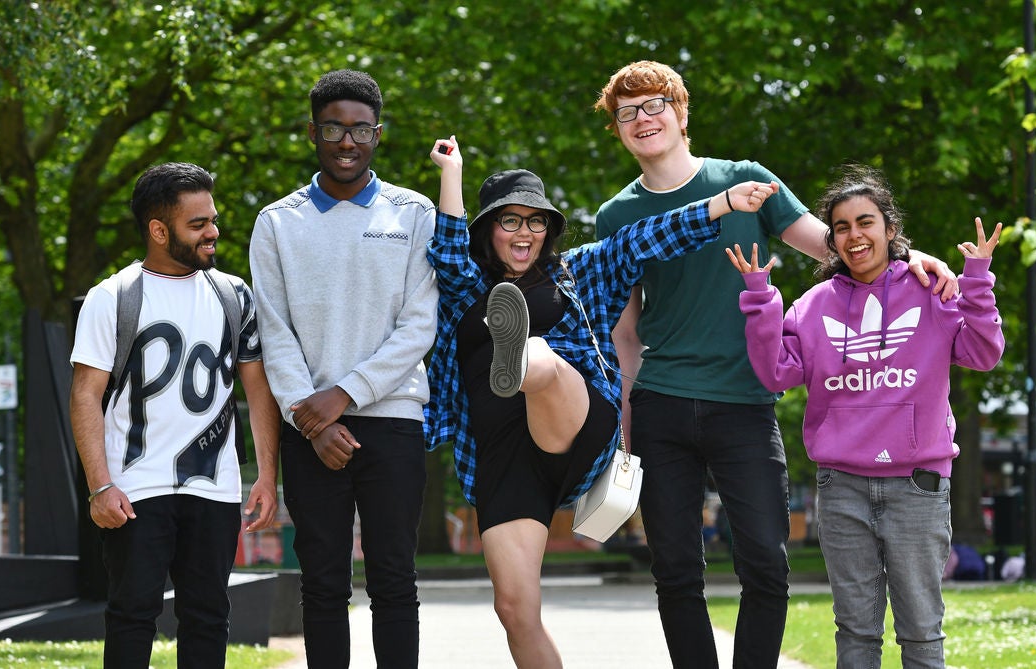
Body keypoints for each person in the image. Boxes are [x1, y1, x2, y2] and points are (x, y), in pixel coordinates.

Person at [592, 60, 959, 668]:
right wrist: (627, 428)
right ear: (618, 130)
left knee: (766, 561)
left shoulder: (746, 181)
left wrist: (918, 258)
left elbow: (836, 245)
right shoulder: (616, 216)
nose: (642, 119)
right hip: (661, 404)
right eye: (626, 113)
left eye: (655, 105)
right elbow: (625, 332)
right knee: (676, 570)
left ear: (682, 115)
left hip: (744, 404)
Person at [424, 134, 780, 667]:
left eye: (536, 221)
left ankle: (518, 355)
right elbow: (448, 249)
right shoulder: (465, 287)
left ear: (549, 229)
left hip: (575, 423)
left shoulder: (580, 271)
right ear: (489, 230)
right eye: (510, 221)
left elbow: (645, 237)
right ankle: (516, 354)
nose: (525, 232)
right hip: (504, 461)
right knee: (515, 610)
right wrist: (449, 173)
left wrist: (723, 203)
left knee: (540, 358)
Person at [728, 165, 1004, 668]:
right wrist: (761, 298)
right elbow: (775, 374)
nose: (855, 236)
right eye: (841, 227)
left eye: (866, 222)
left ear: (889, 228)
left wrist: (977, 282)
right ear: (831, 240)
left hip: (917, 486)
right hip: (842, 487)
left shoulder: (930, 289)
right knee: (855, 631)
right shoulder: (811, 307)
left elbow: (982, 354)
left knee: (921, 631)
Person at [249, 69, 436, 668]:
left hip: (394, 420)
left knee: (393, 581)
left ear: (378, 134)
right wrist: (314, 419)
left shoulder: (414, 213)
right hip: (311, 428)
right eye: (334, 128)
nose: (347, 141)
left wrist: (346, 395)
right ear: (312, 132)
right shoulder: (277, 222)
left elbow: (419, 325)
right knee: (322, 584)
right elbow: (273, 332)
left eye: (360, 129)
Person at [69, 161, 281, 668]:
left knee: (209, 616)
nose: (213, 232)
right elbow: (84, 396)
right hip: (136, 487)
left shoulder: (234, 295)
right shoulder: (113, 297)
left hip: (214, 486)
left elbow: (258, 389)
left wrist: (267, 476)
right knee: (132, 614)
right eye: (198, 224)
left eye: (212, 219)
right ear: (158, 231)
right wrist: (100, 486)